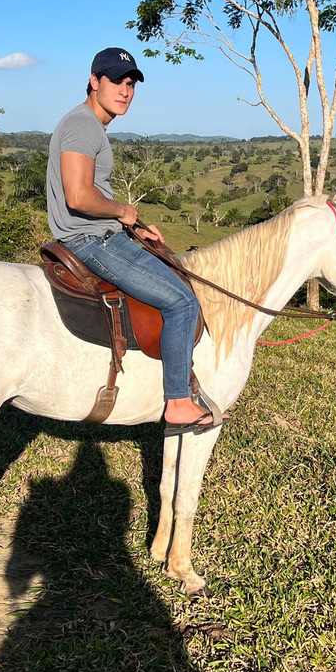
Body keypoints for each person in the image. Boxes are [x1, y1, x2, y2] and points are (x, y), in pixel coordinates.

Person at [46, 47, 222, 435]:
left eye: (130, 84)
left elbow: (92, 195)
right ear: (94, 82)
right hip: (90, 242)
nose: (125, 91)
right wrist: (124, 211)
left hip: (102, 234)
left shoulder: (90, 125)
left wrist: (133, 226)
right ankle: (177, 401)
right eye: (116, 81)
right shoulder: (82, 125)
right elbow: (78, 196)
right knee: (181, 301)